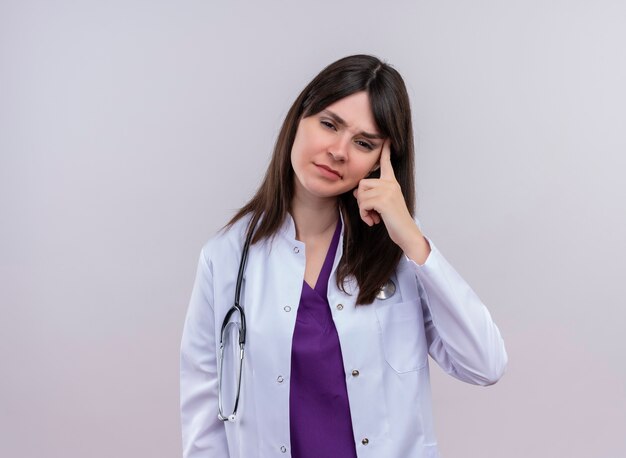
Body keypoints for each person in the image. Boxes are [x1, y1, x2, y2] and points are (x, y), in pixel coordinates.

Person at [180, 54, 507, 458]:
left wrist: (411, 238)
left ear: (382, 161)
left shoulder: (399, 254)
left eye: (364, 143)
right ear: (299, 117)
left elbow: (484, 364)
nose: (338, 151)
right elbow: (204, 416)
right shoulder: (226, 257)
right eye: (330, 124)